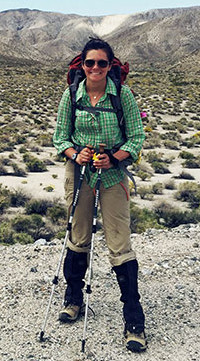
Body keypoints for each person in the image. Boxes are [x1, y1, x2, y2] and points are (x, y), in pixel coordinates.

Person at [53, 38, 147, 353]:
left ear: (110, 66)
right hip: (79, 173)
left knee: (119, 242)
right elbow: (59, 137)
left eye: (102, 63)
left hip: (112, 174)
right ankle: (73, 298)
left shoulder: (123, 95)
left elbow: (136, 136)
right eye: (90, 63)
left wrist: (116, 157)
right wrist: (73, 153)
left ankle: (133, 316)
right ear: (82, 65)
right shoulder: (71, 95)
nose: (95, 68)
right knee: (78, 236)